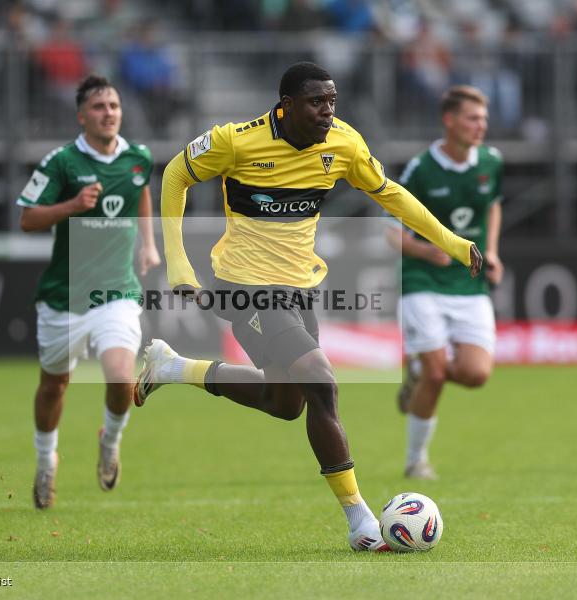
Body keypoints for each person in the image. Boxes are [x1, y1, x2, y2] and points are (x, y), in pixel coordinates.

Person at [134, 62, 482, 551]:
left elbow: (393, 196)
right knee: (322, 381)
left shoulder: (344, 144)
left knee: (286, 404)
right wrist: (179, 265)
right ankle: (361, 521)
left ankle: (174, 368)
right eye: (318, 101)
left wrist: (451, 242)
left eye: (333, 100)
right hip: (244, 285)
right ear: (287, 105)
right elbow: (174, 174)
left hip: (298, 289)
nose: (328, 110)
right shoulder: (236, 140)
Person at [17, 75, 160, 509]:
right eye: (99, 107)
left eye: (114, 105)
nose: (109, 113)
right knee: (54, 386)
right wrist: (71, 207)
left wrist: (149, 244)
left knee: (121, 376)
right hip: (64, 296)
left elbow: (141, 193)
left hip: (116, 291)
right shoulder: (60, 163)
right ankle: (46, 463)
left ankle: (110, 441)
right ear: (82, 116)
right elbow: (27, 218)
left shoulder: (138, 157)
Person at [389, 85, 504, 480]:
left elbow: (492, 206)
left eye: (484, 119)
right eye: (473, 118)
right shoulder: (422, 169)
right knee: (438, 373)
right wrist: (425, 252)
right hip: (422, 280)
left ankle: (417, 375)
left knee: (476, 375)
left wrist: (491, 251)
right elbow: (390, 231)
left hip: (468, 284)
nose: (481, 126)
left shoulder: (491, 160)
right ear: (450, 120)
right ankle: (416, 460)